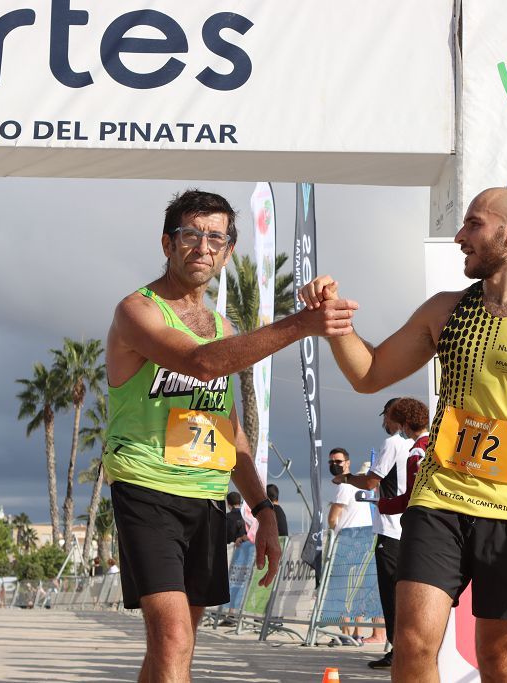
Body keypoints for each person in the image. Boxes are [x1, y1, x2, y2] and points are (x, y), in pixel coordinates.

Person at [300, 186, 507, 681]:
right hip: (440, 501)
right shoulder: (446, 310)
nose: (459, 236)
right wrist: (337, 324)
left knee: (499, 659)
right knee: (411, 645)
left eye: (473, 224)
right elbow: (368, 375)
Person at [102, 188, 357, 681]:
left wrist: (263, 510)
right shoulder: (138, 310)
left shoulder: (222, 325)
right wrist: (302, 324)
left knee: (176, 644)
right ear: (167, 244)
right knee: (173, 636)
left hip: (205, 497)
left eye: (215, 238)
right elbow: (200, 363)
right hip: (145, 486)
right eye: (191, 235)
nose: (203, 247)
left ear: (228, 252)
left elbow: (228, 430)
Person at [335, 398, 418, 669]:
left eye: (385, 416)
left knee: (392, 594)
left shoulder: (393, 442)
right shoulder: (418, 443)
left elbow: (372, 481)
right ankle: (412, 650)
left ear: (394, 416)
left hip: (392, 528)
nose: (383, 422)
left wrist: (346, 478)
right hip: (415, 528)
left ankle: (399, 652)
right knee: (412, 595)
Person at [327, 448, 373, 533]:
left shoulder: (344, 486)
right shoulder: (360, 486)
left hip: (347, 536)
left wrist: (334, 531)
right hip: (364, 534)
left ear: (348, 463)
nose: (334, 464)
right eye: (331, 462)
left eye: (338, 461)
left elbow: (332, 519)